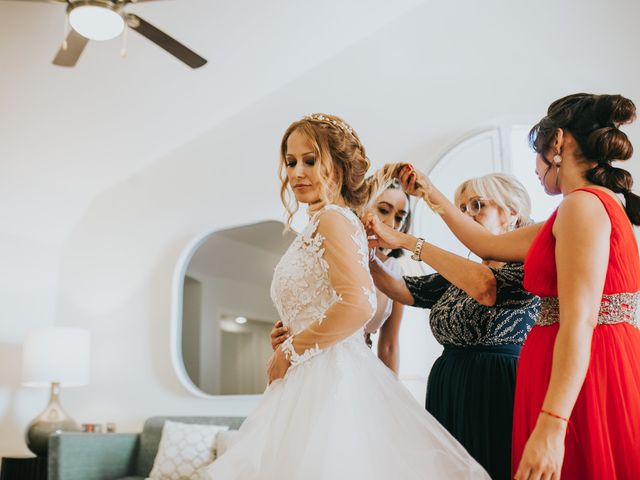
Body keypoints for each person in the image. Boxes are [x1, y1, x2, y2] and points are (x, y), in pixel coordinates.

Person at [202, 113, 489, 480]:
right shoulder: (327, 222)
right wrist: (291, 332)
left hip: (326, 380)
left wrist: (290, 352)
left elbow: (358, 304)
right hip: (313, 374)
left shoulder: (333, 220)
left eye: (309, 160)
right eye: (290, 162)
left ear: (337, 165)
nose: (296, 172)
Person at [395, 94, 640, 480]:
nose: (536, 168)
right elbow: (485, 244)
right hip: (571, 364)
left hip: (580, 372)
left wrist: (553, 423)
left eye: (536, 152)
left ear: (556, 143)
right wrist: (427, 192)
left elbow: (579, 322)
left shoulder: (582, 206)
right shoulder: (587, 208)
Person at [364, 172, 540, 480]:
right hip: (450, 385)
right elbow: (402, 289)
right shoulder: (461, 272)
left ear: (512, 213)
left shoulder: (528, 266)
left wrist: (407, 241)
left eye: (477, 205)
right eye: (461, 209)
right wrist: (367, 254)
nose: (467, 215)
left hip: (497, 388)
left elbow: (487, 289)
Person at [271, 178, 411, 374]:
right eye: (384, 210)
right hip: (310, 365)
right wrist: (288, 332)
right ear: (362, 204)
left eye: (400, 217)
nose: (391, 223)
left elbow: (389, 345)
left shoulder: (394, 271)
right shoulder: (326, 243)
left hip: (359, 368)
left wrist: (392, 392)